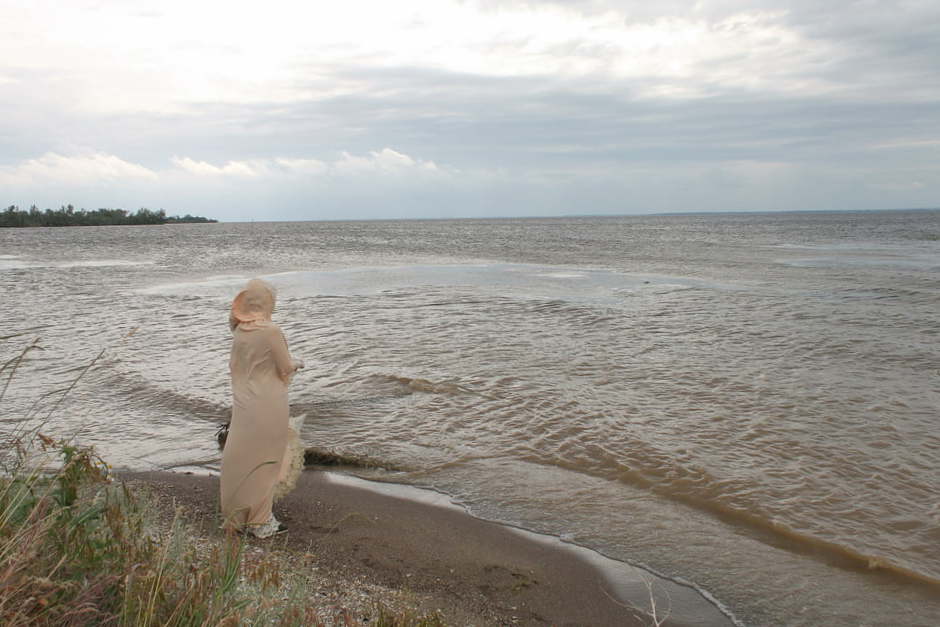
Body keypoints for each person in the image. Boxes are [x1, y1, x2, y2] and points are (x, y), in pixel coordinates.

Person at [220, 278, 304, 537]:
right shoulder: (271, 331)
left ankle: (236, 517)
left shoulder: (239, 331)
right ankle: (260, 521)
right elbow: (285, 366)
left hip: (244, 403)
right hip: (268, 402)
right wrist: (299, 363)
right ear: (266, 303)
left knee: (240, 459)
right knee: (267, 460)